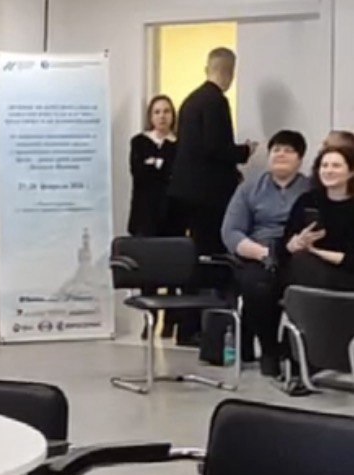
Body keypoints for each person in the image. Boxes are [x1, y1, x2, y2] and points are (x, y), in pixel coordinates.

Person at [168, 47, 257, 345]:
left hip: (185, 193)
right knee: (210, 260)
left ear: (207, 68)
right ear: (229, 72)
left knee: (192, 257)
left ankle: (186, 326)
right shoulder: (217, 101)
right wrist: (244, 152)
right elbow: (215, 148)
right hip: (209, 196)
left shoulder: (190, 100)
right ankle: (202, 329)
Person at [220, 130, 309, 375]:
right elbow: (231, 232)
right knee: (258, 286)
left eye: (288, 150)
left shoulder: (310, 189)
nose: (281, 154)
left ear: (300, 159)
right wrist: (262, 253)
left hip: (298, 254)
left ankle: (296, 350)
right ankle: (269, 349)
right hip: (258, 253)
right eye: (276, 150)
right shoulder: (249, 188)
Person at [281, 145, 354, 294]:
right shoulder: (307, 200)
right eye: (324, 165)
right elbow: (285, 244)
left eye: (336, 166)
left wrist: (314, 251)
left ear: (351, 172)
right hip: (309, 267)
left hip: (346, 273)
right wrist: (295, 243)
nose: (328, 170)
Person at [127, 95, 179, 237]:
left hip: (172, 216)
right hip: (143, 215)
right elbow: (139, 173)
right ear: (150, 117)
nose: (162, 116)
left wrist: (154, 164)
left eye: (166, 111)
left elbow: (175, 175)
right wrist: (161, 166)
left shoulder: (180, 144)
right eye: (157, 112)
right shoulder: (139, 142)